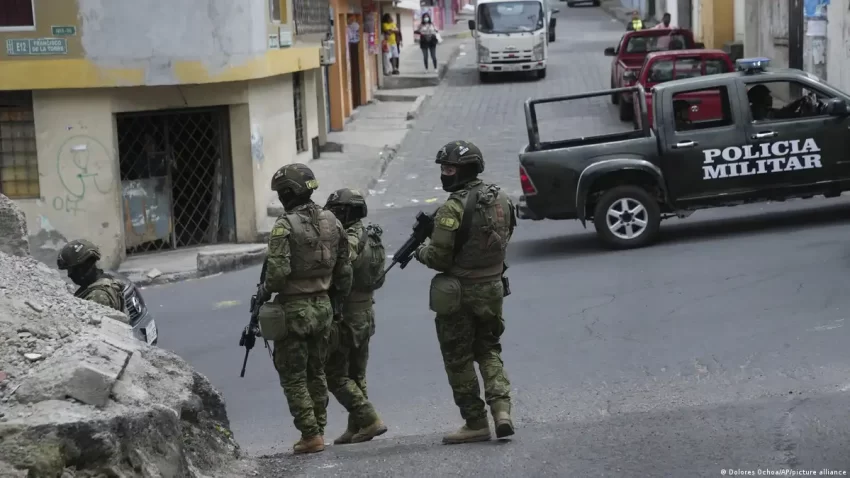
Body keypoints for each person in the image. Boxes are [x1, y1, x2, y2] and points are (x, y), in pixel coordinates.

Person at [414, 140, 516, 445]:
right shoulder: (501, 198)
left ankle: (475, 422)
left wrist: (420, 251)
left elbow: (439, 258)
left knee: (459, 359)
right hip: (493, 287)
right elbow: (505, 236)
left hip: (461, 294)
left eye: (448, 168)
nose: (444, 174)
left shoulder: (452, 208)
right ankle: (502, 411)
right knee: (489, 349)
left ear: (464, 170)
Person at [261, 163, 353, 454]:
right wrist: (334, 299)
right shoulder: (332, 220)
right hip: (323, 308)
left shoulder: (284, 225)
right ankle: (319, 430)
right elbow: (344, 271)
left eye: (281, 193)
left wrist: (264, 291)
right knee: (317, 372)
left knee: (293, 375)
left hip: (295, 311)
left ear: (288, 193)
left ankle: (310, 434)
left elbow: (276, 275)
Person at [323, 188, 388, 445]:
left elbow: (337, 265)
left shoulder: (349, 239)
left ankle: (369, 418)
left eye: (336, 211)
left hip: (346, 315)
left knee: (335, 374)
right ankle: (357, 427)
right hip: (364, 313)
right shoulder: (371, 235)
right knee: (357, 372)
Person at [57, 239, 125, 312]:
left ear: (86, 265)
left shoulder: (98, 296)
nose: (69, 275)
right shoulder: (104, 281)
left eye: (72, 269)